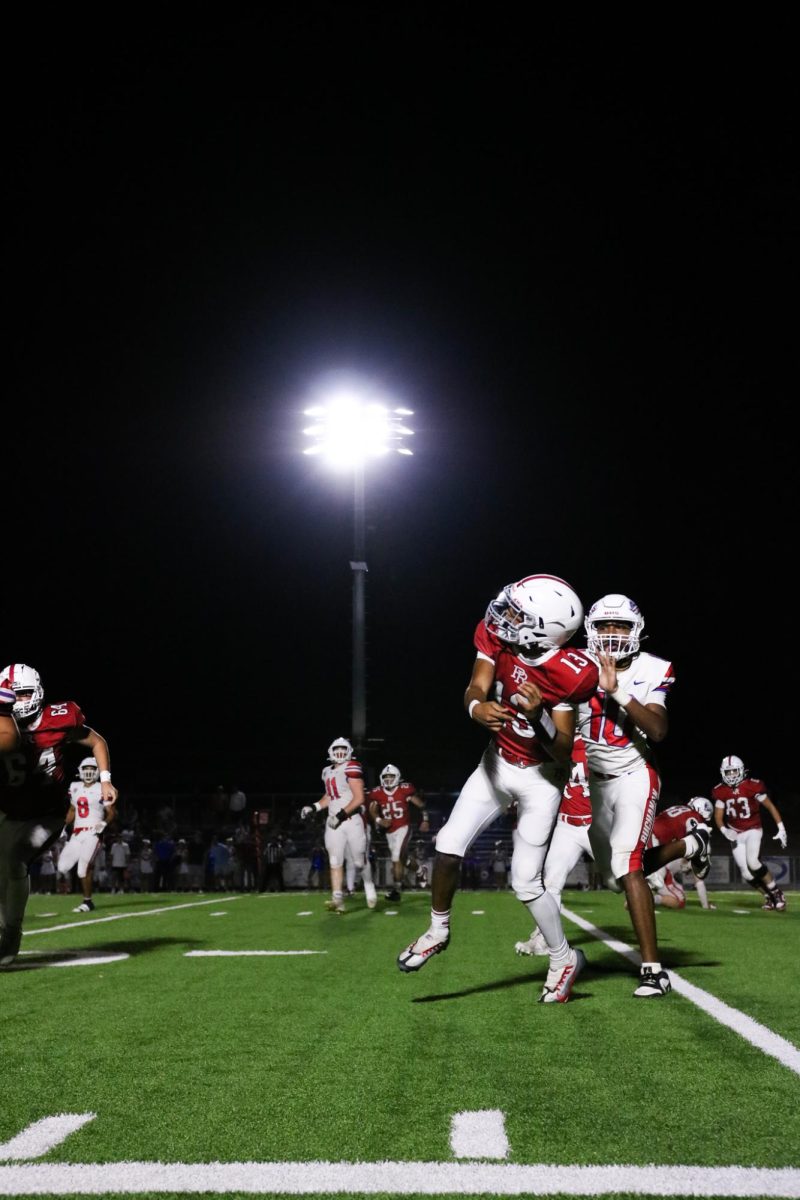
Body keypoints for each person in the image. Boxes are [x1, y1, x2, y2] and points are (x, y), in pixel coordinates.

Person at [398, 574, 598, 1003]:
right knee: (448, 845)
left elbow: (562, 750)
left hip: (541, 780)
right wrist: (475, 706)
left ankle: (563, 958)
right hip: (495, 763)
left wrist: (540, 713)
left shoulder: (567, 673)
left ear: (545, 628)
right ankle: (438, 929)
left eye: (518, 614)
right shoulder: (497, 636)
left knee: (526, 882)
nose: (503, 616)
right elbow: (477, 683)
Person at [577, 594, 678, 998]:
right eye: (604, 627)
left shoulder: (654, 668)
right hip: (595, 781)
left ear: (635, 631)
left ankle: (653, 969)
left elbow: (657, 730)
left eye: (620, 627)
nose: (612, 635)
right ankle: (688, 845)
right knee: (615, 876)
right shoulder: (574, 665)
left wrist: (617, 691)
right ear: (590, 630)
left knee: (627, 861)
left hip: (635, 772)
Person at [0, 664, 117, 965]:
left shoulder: (58, 719)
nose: (19, 702)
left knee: (14, 860)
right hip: (9, 809)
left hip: (47, 813)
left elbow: (97, 741)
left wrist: (105, 779)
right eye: (12, 695)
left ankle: (12, 932)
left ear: (37, 692)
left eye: (24, 693)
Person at [514, 734, 594, 957]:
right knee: (551, 882)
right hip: (567, 826)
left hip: (595, 827)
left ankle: (680, 852)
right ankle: (544, 938)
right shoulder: (558, 745)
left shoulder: (601, 744)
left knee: (619, 881)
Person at [300, 737, 378, 913]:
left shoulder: (352, 767)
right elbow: (330, 796)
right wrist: (313, 807)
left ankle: (368, 884)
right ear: (330, 752)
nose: (340, 752)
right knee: (335, 861)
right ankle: (338, 900)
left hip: (352, 821)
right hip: (333, 823)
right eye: (337, 749)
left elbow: (359, 798)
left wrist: (341, 815)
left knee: (359, 861)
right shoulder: (327, 771)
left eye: (344, 749)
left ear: (349, 751)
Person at [712, 755, 787, 911]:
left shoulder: (753, 786)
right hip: (736, 834)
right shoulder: (720, 790)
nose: (731, 775)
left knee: (753, 862)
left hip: (753, 829)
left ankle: (777, 893)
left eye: (734, 771)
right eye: (728, 772)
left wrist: (781, 828)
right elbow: (718, 817)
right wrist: (724, 829)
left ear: (741, 771)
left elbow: (770, 807)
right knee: (746, 874)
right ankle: (768, 896)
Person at [57, 757, 117, 913]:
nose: (89, 772)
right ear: (80, 771)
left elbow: (111, 812)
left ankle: (87, 902)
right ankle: (82, 893)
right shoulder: (74, 787)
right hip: (77, 833)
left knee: (83, 868)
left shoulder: (102, 788)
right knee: (62, 867)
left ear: (97, 771)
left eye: (92, 769)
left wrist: (104, 823)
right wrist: (63, 826)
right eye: (86, 769)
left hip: (93, 832)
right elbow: (72, 810)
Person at [368, 764, 429, 901]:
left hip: (403, 827)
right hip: (389, 831)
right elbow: (372, 809)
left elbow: (421, 805)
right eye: (386, 777)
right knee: (403, 859)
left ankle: (396, 890)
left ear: (397, 777)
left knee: (396, 857)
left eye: (391, 777)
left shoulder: (404, 790)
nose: (388, 780)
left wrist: (425, 820)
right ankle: (420, 870)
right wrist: (379, 820)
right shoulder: (377, 792)